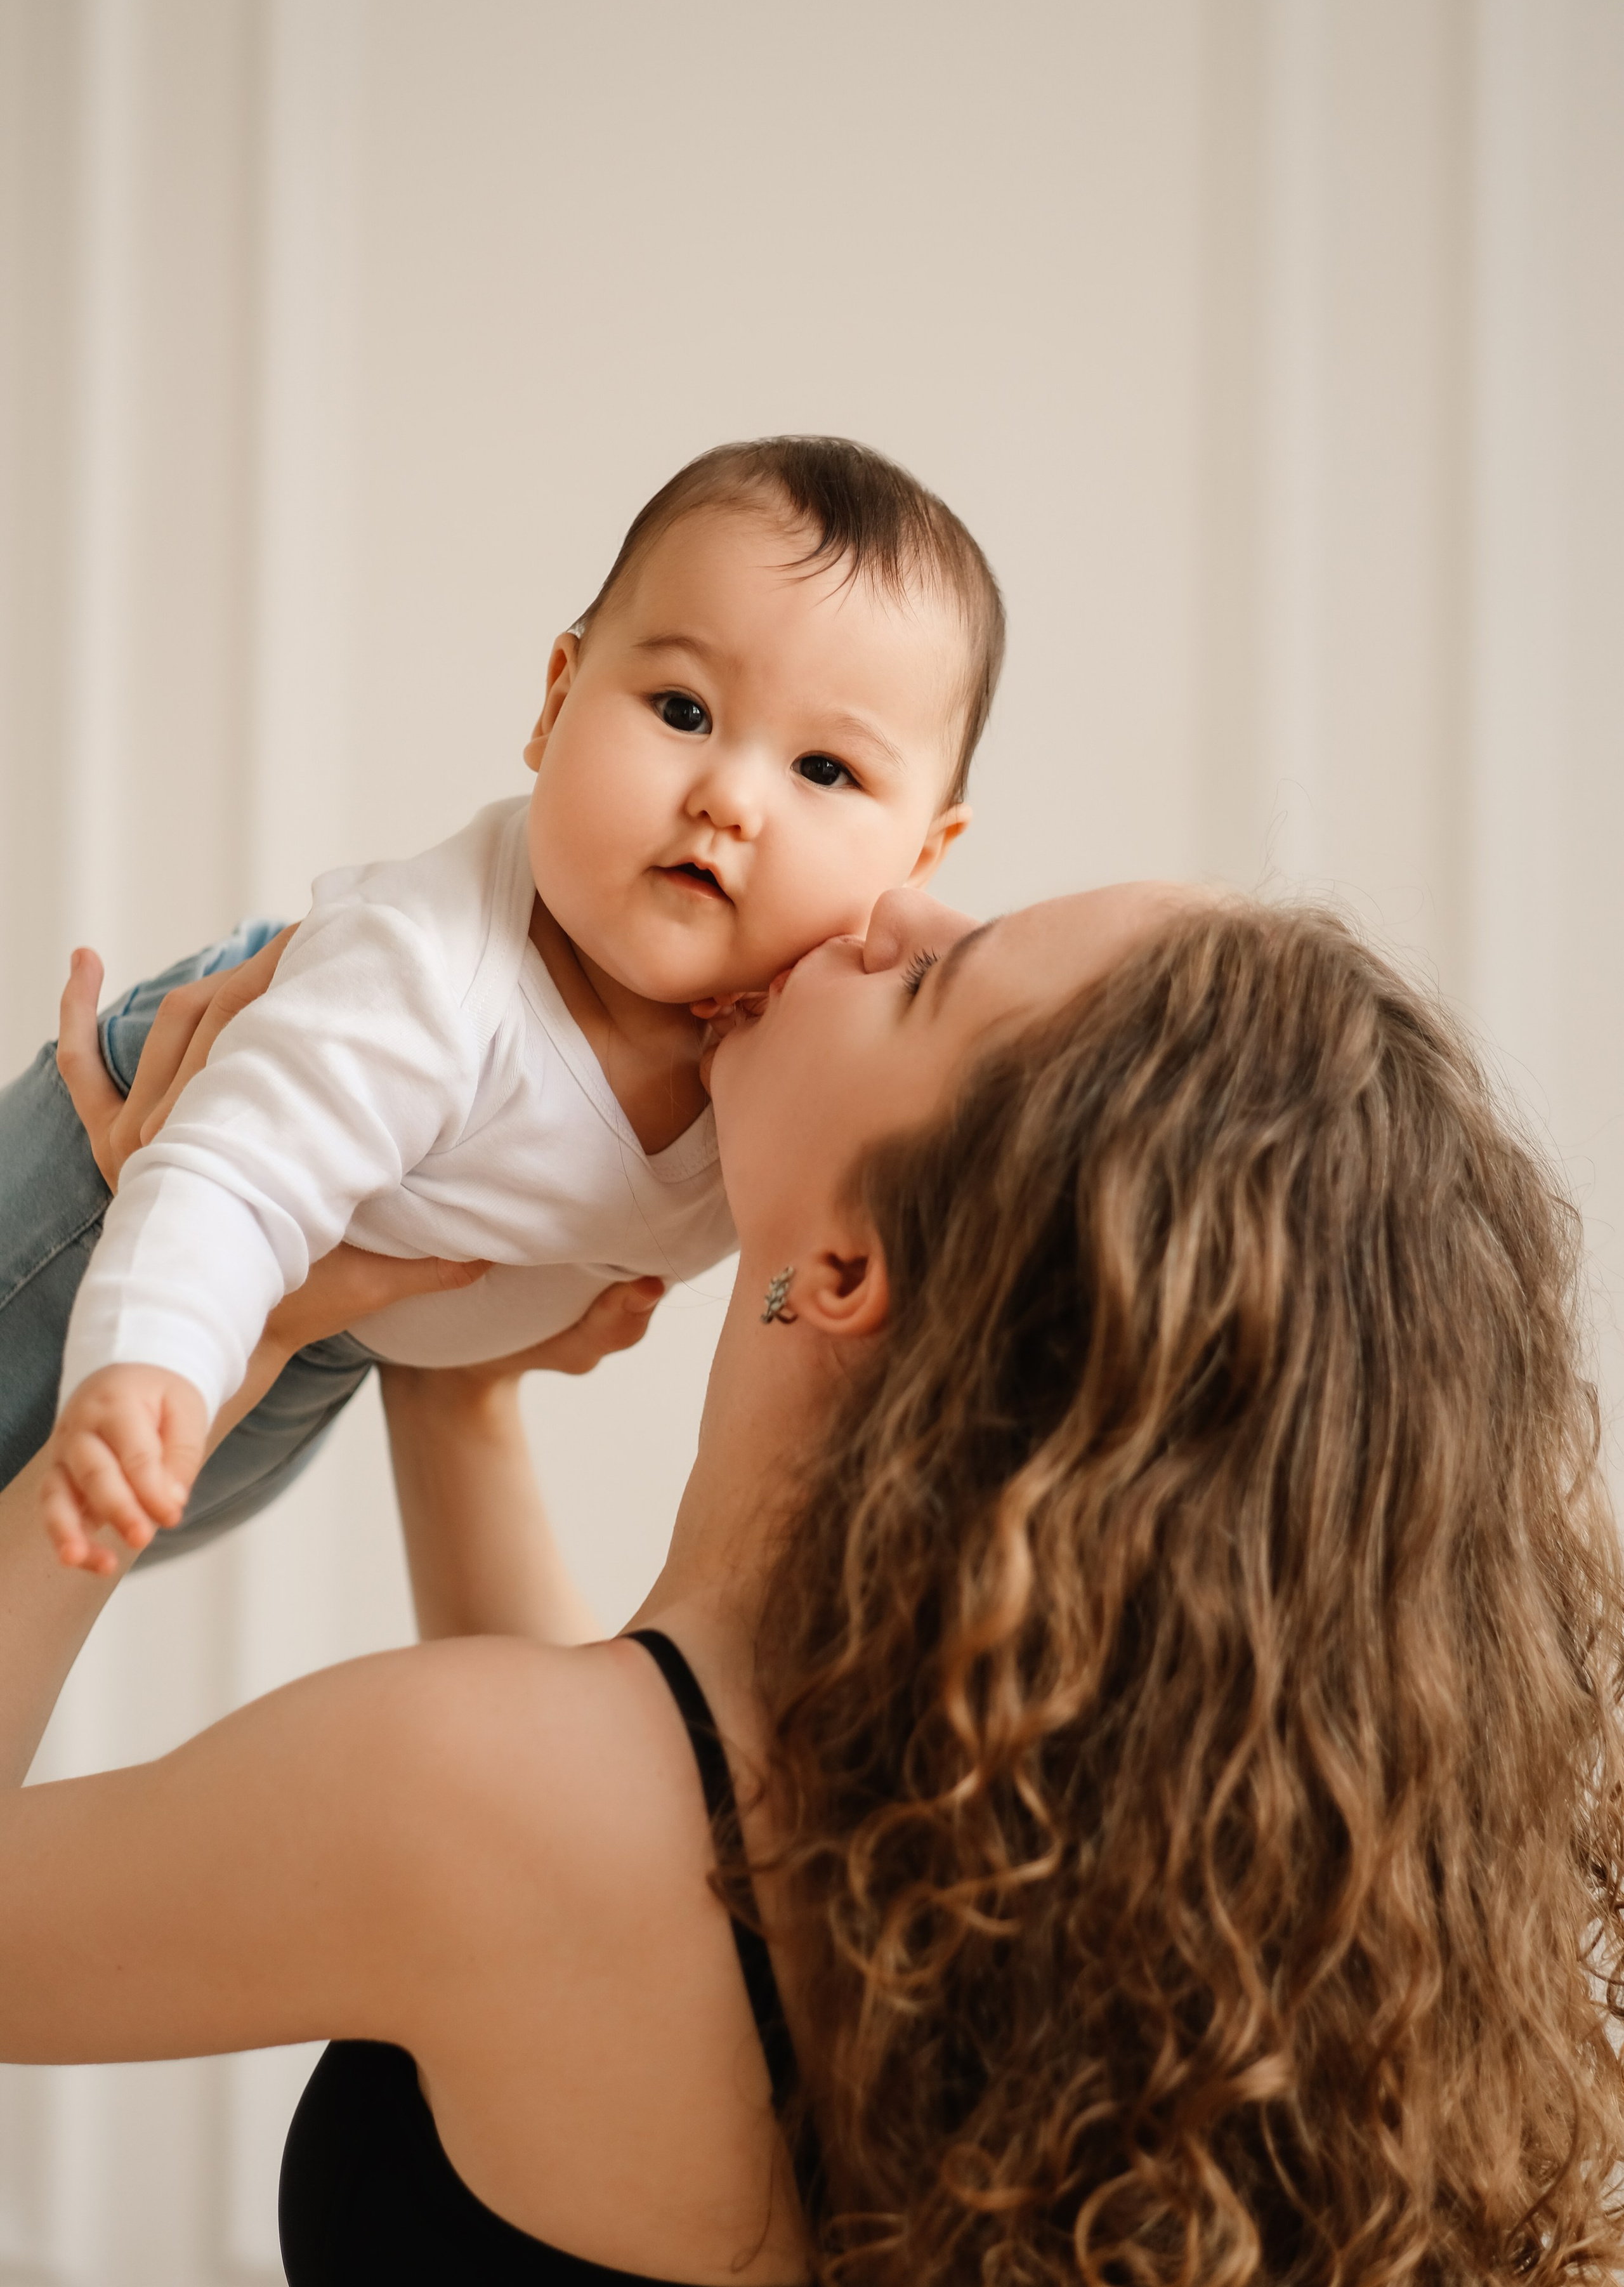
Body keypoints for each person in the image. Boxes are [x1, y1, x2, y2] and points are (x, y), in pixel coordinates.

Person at [3, 879, 1622, 2286]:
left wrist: (199, 1354)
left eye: (930, 979)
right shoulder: (979, 1882)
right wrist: (456, 1379)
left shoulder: (488, 1799)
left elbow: (530, 1841)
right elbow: (598, 1880)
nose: (880, 906)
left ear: (849, 1268)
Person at [0, 434, 1002, 1568]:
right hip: (138, 1222)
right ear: (557, 703)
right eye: (683, 709)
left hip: (318, 1345)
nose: (729, 797)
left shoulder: (811, 1066)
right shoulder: (429, 973)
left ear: (920, 861)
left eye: (825, 771)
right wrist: (149, 1357)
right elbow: (230, 1182)